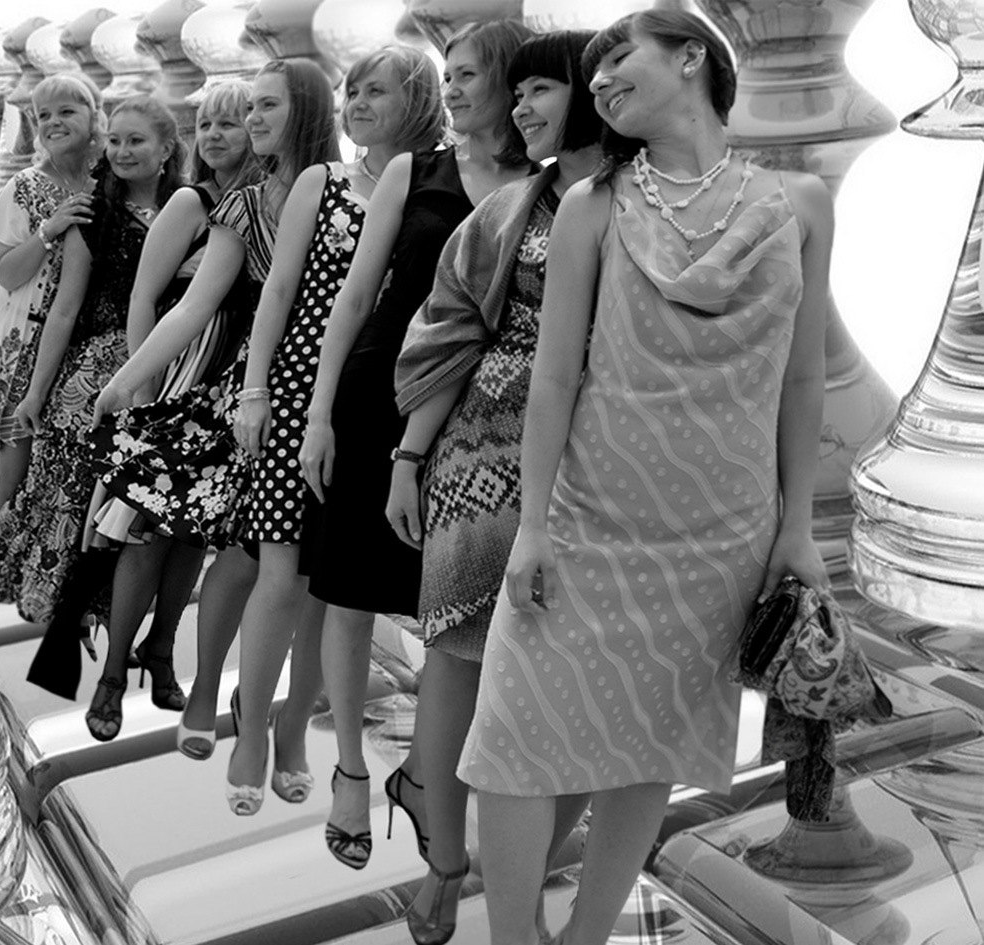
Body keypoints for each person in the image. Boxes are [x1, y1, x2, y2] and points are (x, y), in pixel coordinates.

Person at [456, 12, 833, 945]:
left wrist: (797, 525)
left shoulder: (802, 202)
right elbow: (554, 376)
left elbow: (802, 377)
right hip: (588, 518)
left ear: (692, 54)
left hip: (721, 533)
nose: (600, 81)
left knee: (650, 737)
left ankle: (586, 935)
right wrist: (532, 525)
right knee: (511, 738)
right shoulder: (594, 205)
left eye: (618, 57)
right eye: (593, 73)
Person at [296, 16, 533, 896]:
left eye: (470, 74)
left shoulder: (544, 183)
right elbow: (357, 295)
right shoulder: (414, 170)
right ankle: (352, 767)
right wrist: (318, 412)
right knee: (350, 589)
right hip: (375, 397)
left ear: (509, 83)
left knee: (447, 606)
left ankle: (427, 777)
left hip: (480, 418)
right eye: (450, 74)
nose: (455, 88)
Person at [385, 30, 603, 943]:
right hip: (483, 450)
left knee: (584, 670)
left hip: (603, 461)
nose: (520, 105)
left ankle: (515, 873)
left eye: (541, 88)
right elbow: (448, 331)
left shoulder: (649, 204)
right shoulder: (515, 207)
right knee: (458, 650)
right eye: (516, 91)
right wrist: (408, 460)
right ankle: (444, 859)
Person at [88, 59, 340, 755]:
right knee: (176, 530)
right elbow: (188, 305)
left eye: (264, 108)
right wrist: (128, 382)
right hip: (244, 385)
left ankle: (241, 692)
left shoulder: (353, 192)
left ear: (308, 111)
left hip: (328, 386)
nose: (250, 122)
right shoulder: (241, 205)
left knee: (263, 555)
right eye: (241, 111)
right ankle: (140, 677)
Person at [230, 46, 446, 848]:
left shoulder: (435, 187)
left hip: (386, 396)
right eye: (351, 91)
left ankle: (295, 729)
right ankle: (252, 732)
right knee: (281, 574)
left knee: (336, 585)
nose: (356, 103)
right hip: (300, 390)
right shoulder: (325, 183)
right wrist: (255, 390)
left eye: (376, 91)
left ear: (417, 99)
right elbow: (279, 289)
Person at [71, 80, 263, 739]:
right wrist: (145, 384)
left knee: (192, 529)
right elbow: (144, 298)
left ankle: (161, 648)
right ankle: (112, 675)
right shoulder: (191, 201)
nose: (215, 136)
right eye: (205, 124)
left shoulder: (270, 202)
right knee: (145, 527)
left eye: (229, 123)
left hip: (230, 380)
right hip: (177, 372)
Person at [0, 96, 188, 634]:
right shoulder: (88, 213)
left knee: (143, 509)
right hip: (87, 371)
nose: (122, 151)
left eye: (135, 141)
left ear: (166, 149)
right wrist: (35, 392)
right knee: (64, 499)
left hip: (173, 371)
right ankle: (63, 617)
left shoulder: (192, 208)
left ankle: (127, 624)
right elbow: (61, 308)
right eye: (116, 141)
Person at [0, 73, 102, 525]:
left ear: (94, 117)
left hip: (86, 349)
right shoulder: (24, 187)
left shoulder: (108, 182)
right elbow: (7, 273)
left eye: (67, 111)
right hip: (25, 348)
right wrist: (50, 229)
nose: (53, 122)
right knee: (15, 477)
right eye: (43, 115)